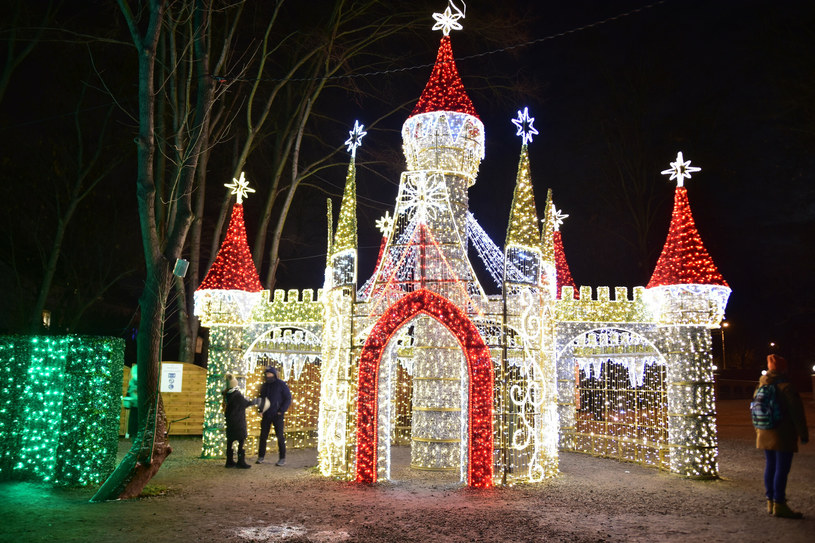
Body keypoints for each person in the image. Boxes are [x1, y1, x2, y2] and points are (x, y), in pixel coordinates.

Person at [755, 354, 809, 518]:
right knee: (782, 468)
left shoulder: (761, 384)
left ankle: (770, 501)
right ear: (783, 369)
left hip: (764, 431)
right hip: (782, 433)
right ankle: (780, 504)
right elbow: (796, 413)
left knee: (770, 466)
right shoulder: (786, 386)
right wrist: (803, 433)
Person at [256, 367, 291, 466]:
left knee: (280, 436)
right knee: (263, 436)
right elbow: (262, 398)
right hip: (266, 414)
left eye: (270, 374)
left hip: (277, 415)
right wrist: (261, 410)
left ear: (274, 374)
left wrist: (281, 410)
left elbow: (288, 398)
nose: (268, 376)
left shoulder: (281, 384)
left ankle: (282, 458)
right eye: (267, 374)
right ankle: (261, 456)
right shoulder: (265, 386)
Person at [222, 373, 254, 469]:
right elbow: (246, 404)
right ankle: (241, 461)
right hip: (238, 421)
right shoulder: (237, 394)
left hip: (230, 420)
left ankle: (229, 461)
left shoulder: (226, 394)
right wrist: (257, 401)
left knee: (230, 441)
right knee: (241, 440)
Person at [121, 363, 138, 440]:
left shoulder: (145, 384)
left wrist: (135, 398)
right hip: (134, 410)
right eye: (133, 373)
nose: (134, 375)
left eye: (136, 373)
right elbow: (128, 396)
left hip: (143, 411)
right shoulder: (132, 383)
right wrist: (127, 402)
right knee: (134, 432)